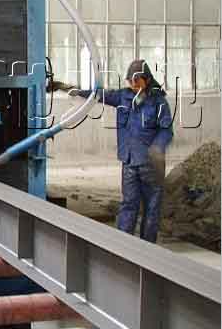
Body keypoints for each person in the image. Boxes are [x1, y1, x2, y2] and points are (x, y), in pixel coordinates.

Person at [68, 60, 173, 243]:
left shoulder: (159, 102)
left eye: (137, 80)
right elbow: (99, 95)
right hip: (129, 162)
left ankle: (147, 249)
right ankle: (123, 246)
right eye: (130, 81)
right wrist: (76, 91)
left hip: (151, 166)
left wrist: (157, 147)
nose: (133, 85)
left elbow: (166, 131)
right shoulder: (122, 97)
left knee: (151, 209)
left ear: (147, 80)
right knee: (128, 205)